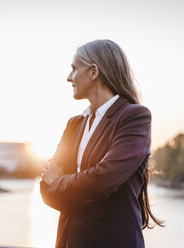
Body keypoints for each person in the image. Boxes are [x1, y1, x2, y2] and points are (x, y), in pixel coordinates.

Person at [40, 39, 164, 248]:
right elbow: (46, 188)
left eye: (74, 68)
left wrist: (60, 183)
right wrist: (77, 190)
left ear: (94, 72)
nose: (68, 77)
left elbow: (104, 179)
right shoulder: (74, 125)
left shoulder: (134, 117)